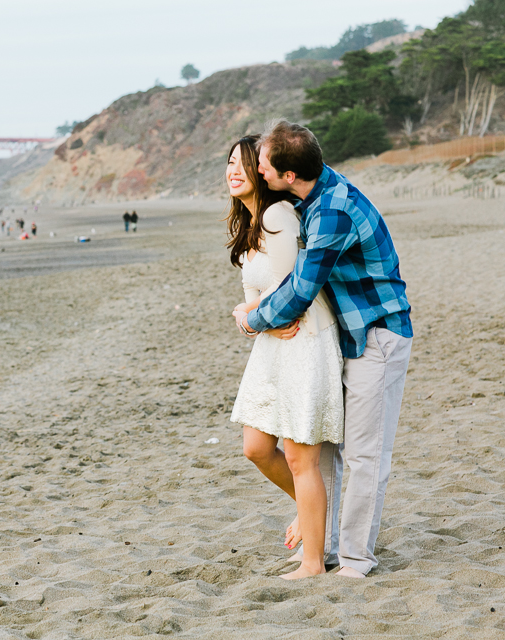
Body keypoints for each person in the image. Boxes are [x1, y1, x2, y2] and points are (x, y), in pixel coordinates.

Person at [236, 120, 413, 579]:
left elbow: (300, 289)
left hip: (376, 333)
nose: (257, 167)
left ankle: (355, 560)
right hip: (344, 335)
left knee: (364, 455)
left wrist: (252, 318)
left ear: (289, 175)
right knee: (327, 449)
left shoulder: (332, 210)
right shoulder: (313, 189)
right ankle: (325, 548)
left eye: (263, 164)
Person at [225, 135, 344, 580]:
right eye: (230, 163)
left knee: (300, 458)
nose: (233, 170)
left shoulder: (278, 214)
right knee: (256, 448)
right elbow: (253, 298)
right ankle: (313, 517)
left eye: (242, 163)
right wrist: (252, 316)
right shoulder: (250, 223)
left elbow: (292, 290)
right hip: (272, 343)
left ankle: (313, 560)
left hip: (303, 340)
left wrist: (252, 315)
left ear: (262, 170)